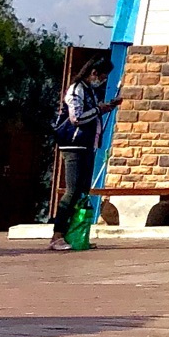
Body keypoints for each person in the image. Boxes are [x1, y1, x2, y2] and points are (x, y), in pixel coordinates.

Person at [48, 58, 113, 250]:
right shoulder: (77, 89)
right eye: (102, 76)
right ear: (93, 73)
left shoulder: (90, 91)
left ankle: (74, 234)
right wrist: (97, 109)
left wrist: (104, 109)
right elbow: (76, 118)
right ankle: (57, 234)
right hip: (73, 146)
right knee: (72, 190)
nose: (102, 80)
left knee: (82, 191)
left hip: (86, 146)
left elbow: (92, 114)